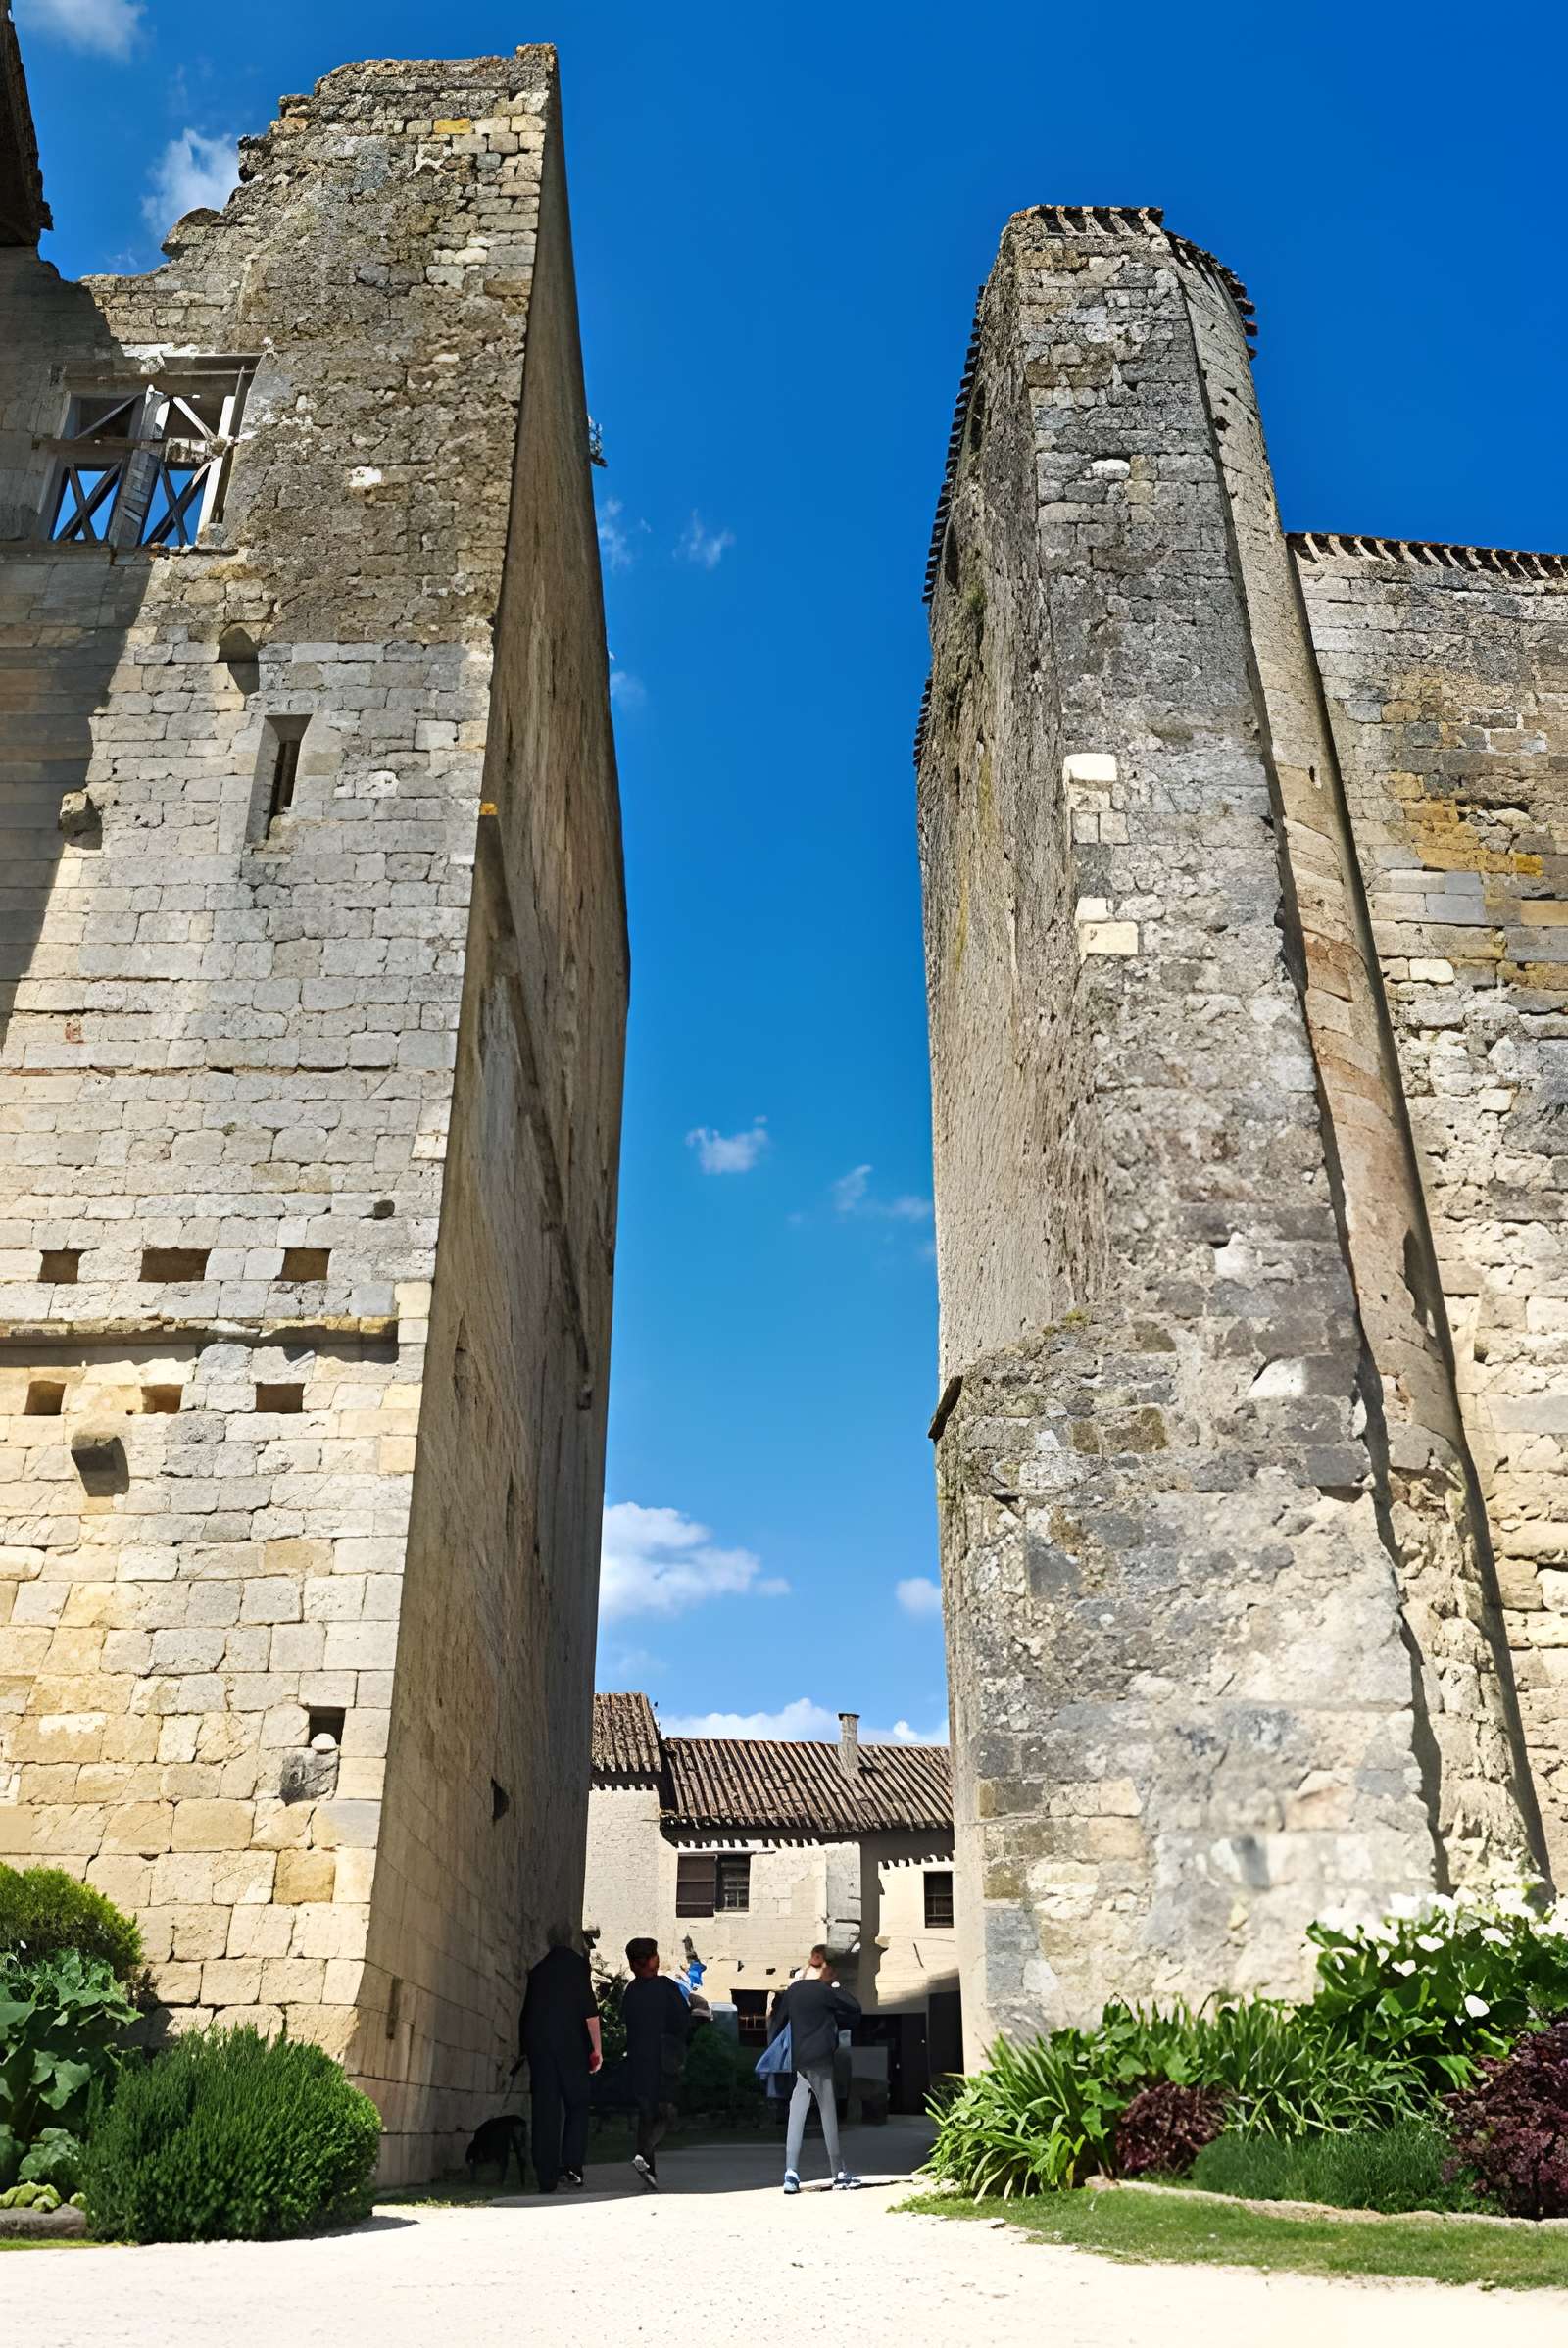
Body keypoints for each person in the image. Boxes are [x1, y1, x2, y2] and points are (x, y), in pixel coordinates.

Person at [767, 1947, 860, 2194]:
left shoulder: (793, 1991)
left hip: (799, 2060)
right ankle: (838, 2173)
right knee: (828, 2112)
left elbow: (778, 2023)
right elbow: (855, 2007)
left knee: (796, 2113)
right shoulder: (825, 1992)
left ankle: (791, 2172)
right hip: (821, 2059)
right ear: (826, 1969)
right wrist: (836, 1985)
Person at [518, 1922, 602, 2193]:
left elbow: (527, 2013)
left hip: (541, 2047)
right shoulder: (578, 1967)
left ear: (548, 1940)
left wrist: (525, 2048)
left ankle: (545, 2176)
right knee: (578, 2103)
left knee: (545, 2108)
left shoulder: (539, 1971)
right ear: (570, 1940)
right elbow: (589, 2012)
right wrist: (597, 2049)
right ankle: (572, 2166)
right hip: (572, 2047)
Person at [621, 1936, 693, 2190]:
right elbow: (682, 2021)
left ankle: (649, 2168)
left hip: (639, 2056)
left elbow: (626, 2021)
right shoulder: (666, 1987)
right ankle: (644, 2152)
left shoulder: (631, 1991)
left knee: (646, 2111)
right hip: (665, 2055)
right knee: (667, 2110)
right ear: (653, 1960)